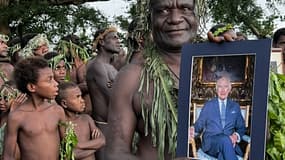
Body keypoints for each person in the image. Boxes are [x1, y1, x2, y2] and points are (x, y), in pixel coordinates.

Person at [105, 0, 198, 160]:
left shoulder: (217, 65)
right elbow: (115, 154)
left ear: (196, 16)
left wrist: (237, 52)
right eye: (163, 10)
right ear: (150, 19)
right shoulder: (132, 76)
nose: (175, 18)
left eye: (185, 8)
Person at [3, 57, 66, 160]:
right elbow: (8, 156)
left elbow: (68, 147)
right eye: (49, 80)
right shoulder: (17, 117)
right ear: (32, 87)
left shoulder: (57, 111)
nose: (56, 84)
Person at [86, 27, 121, 160]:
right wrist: (121, 88)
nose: (118, 41)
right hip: (103, 126)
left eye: (118, 37)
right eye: (114, 37)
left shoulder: (110, 67)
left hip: (114, 125)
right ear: (101, 42)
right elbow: (115, 97)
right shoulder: (97, 66)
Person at [190, 76, 246, 160]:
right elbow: (199, 124)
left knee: (222, 154)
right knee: (225, 140)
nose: (223, 90)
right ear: (216, 89)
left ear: (229, 89)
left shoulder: (235, 107)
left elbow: (241, 128)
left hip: (229, 146)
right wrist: (192, 128)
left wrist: (235, 136)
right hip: (211, 144)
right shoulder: (208, 105)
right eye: (220, 87)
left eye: (226, 86)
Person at [55, 81, 105, 160]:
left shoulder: (86, 119)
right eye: (77, 97)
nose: (82, 100)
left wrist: (78, 145)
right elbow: (70, 155)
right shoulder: (62, 126)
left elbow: (102, 140)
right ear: (64, 103)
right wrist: (95, 147)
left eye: (81, 96)